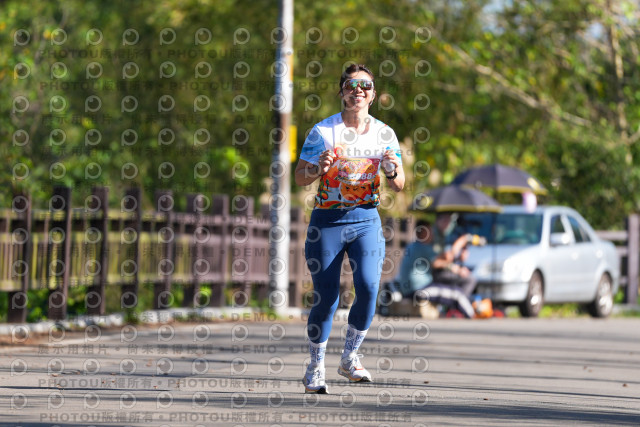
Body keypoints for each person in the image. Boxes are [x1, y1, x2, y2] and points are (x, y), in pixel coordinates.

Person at [294, 63, 404, 394]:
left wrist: (391, 170)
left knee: (369, 288)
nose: (358, 91)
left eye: (365, 86)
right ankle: (315, 367)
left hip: (366, 219)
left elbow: (399, 183)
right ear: (341, 92)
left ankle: (350, 357)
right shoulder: (323, 132)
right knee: (326, 297)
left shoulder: (384, 133)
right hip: (327, 221)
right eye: (351, 85)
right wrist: (318, 168)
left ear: (373, 95)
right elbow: (299, 177)